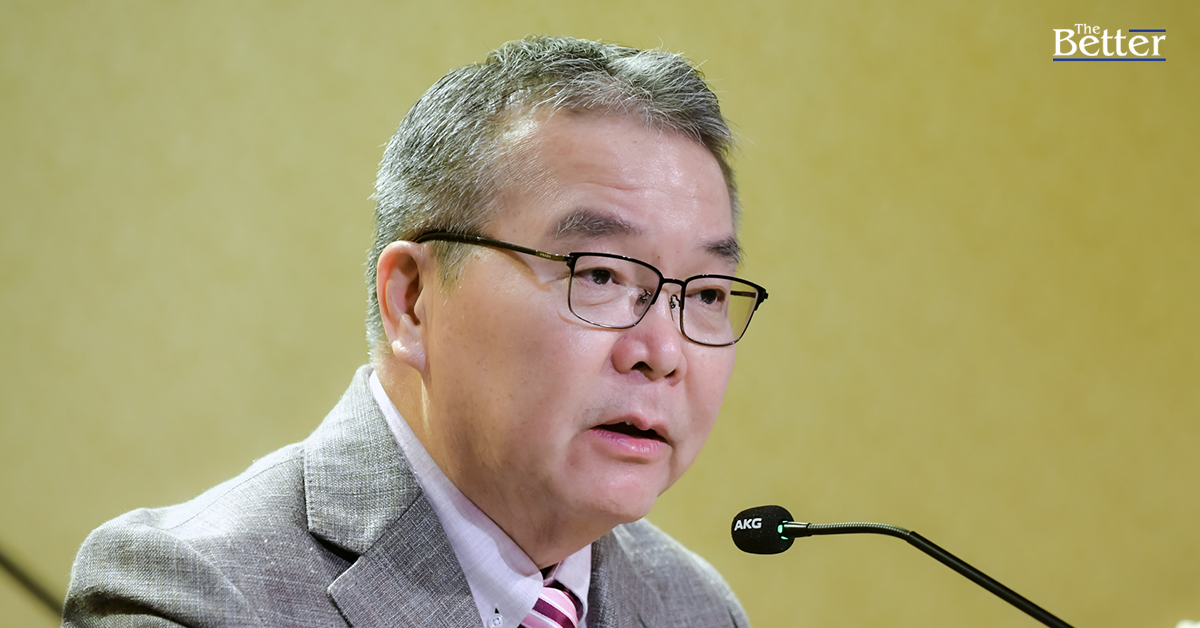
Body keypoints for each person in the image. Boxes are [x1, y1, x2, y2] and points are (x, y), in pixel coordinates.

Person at [64, 35, 768, 628]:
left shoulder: (696, 608)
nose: (662, 353)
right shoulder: (191, 593)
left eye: (706, 292)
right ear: (411, 300)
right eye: (602, 275)